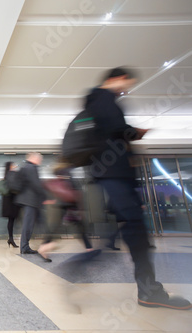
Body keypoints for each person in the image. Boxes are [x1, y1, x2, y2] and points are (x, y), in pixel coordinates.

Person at [87, 67, 191, 309]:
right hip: (115, 175)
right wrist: (135, 132)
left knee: (133, 231)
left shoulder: (96, 100)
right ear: (115, 78)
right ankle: (147, 290)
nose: (126, 89)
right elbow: (115, 130)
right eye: (125, 83)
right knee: (137, 232)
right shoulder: (103, 99)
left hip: (112, 176)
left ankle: (147, 288)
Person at [38, 162, 95, 262]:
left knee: (58, 227)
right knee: (79, 227)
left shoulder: (60, 172)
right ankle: (89, 248)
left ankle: (44, 246)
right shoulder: (68, 170)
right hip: (70, 205)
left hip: (64, 204)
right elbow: (74, 189)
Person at [14, 152, 52, 255]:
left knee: (39, 222)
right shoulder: (31, 167)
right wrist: (45, 196)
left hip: (31, 201)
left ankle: (46, 242)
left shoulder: (27, 167)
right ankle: (24, 247)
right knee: (28, 224)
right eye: (39, 159)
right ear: (34, 158)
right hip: (30, 201)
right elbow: (36, 184)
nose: (40, 161)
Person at [1, 162, 20, 248]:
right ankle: (11, 239)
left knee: (11, 221)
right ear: (10, 167)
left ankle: (11, 239)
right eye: (13, 165)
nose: (15, 166)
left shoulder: (6, 176)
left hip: (9, 202)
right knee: (12, 220)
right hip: (11, 202)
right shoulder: (11, 175)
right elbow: (14, 188)